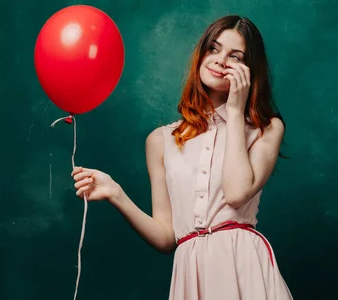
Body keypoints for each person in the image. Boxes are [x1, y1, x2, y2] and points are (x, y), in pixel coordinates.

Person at [71, 15, 293, 299]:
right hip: (191, 273)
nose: (220, 60)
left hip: (243, 267)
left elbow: (237, 193)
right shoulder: (160, 140)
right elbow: (167, 237)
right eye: (213, 49)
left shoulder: (266, 128)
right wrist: (116, 193)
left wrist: (236, 112)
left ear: (250, 71)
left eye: (235, 56)